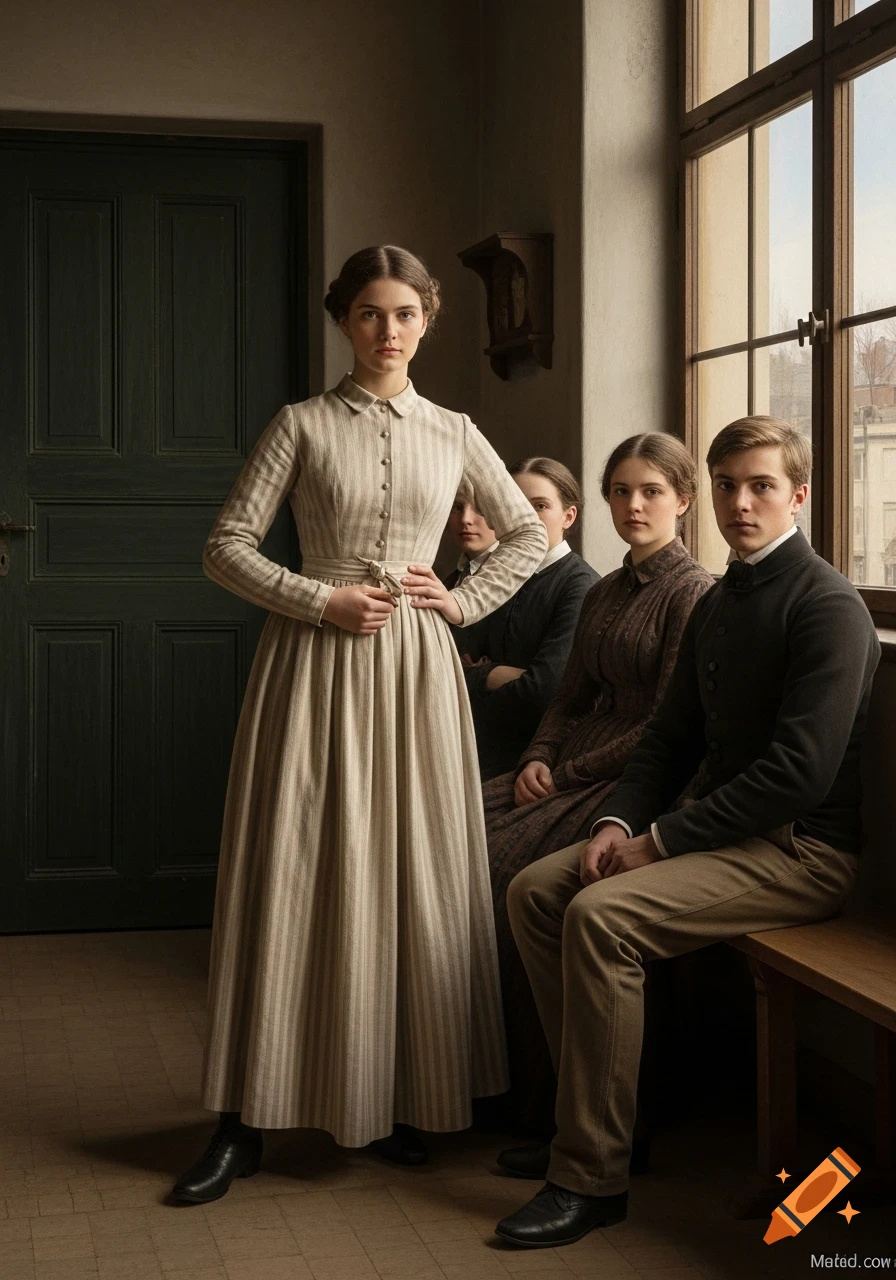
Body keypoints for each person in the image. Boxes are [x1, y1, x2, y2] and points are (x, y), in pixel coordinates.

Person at [172, 245, 547, 1205]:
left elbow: (531, 535)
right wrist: (317, 598)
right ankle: (241, 1121)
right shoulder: (300, 424)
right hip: (313, 665)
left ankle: (395, 1102)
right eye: (371, 314)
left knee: (404, 870)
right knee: (294, 868)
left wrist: (457, 604)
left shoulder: (456, 430)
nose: (389, 331)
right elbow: (225, 547)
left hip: (416, 674)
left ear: (427, 322)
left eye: (406, 314)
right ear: (346, 321)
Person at [494, 415, 880, 1249]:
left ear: (800, 496)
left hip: (801, 850)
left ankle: (589, 1177)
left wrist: (658, 844)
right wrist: (616, 820)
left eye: (762, 485)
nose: (741, 502)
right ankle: (600, 1130)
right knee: (535, 891)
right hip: (716, 833)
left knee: (602, 916)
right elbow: (668, 738)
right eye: (730, 484)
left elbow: (796, 778)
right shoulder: (724, 597)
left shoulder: (829, 605)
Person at [482, 434, 712, 1131]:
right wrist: (536, 757)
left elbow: (666, 730)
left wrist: (567, 773)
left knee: (496, 869)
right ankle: (459, 1073)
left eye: (650, 491)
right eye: (621, 491)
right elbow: (567, 697)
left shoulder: (694, 592)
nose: (633, 505)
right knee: (443, 832)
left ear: (683, 500)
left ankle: (538, 1101)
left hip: (627, 785)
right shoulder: (605, 589)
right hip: (560, 768)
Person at [444, 459, 599, 781]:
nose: (526, 518)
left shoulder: (579, 585)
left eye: (539, 506)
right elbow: (439, 670)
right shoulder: (498, 577)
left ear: (568, 516)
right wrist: (492, 674)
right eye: (515, 505)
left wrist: (477, 673)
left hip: (531, 762)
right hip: (471, 750)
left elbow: (544, 693)